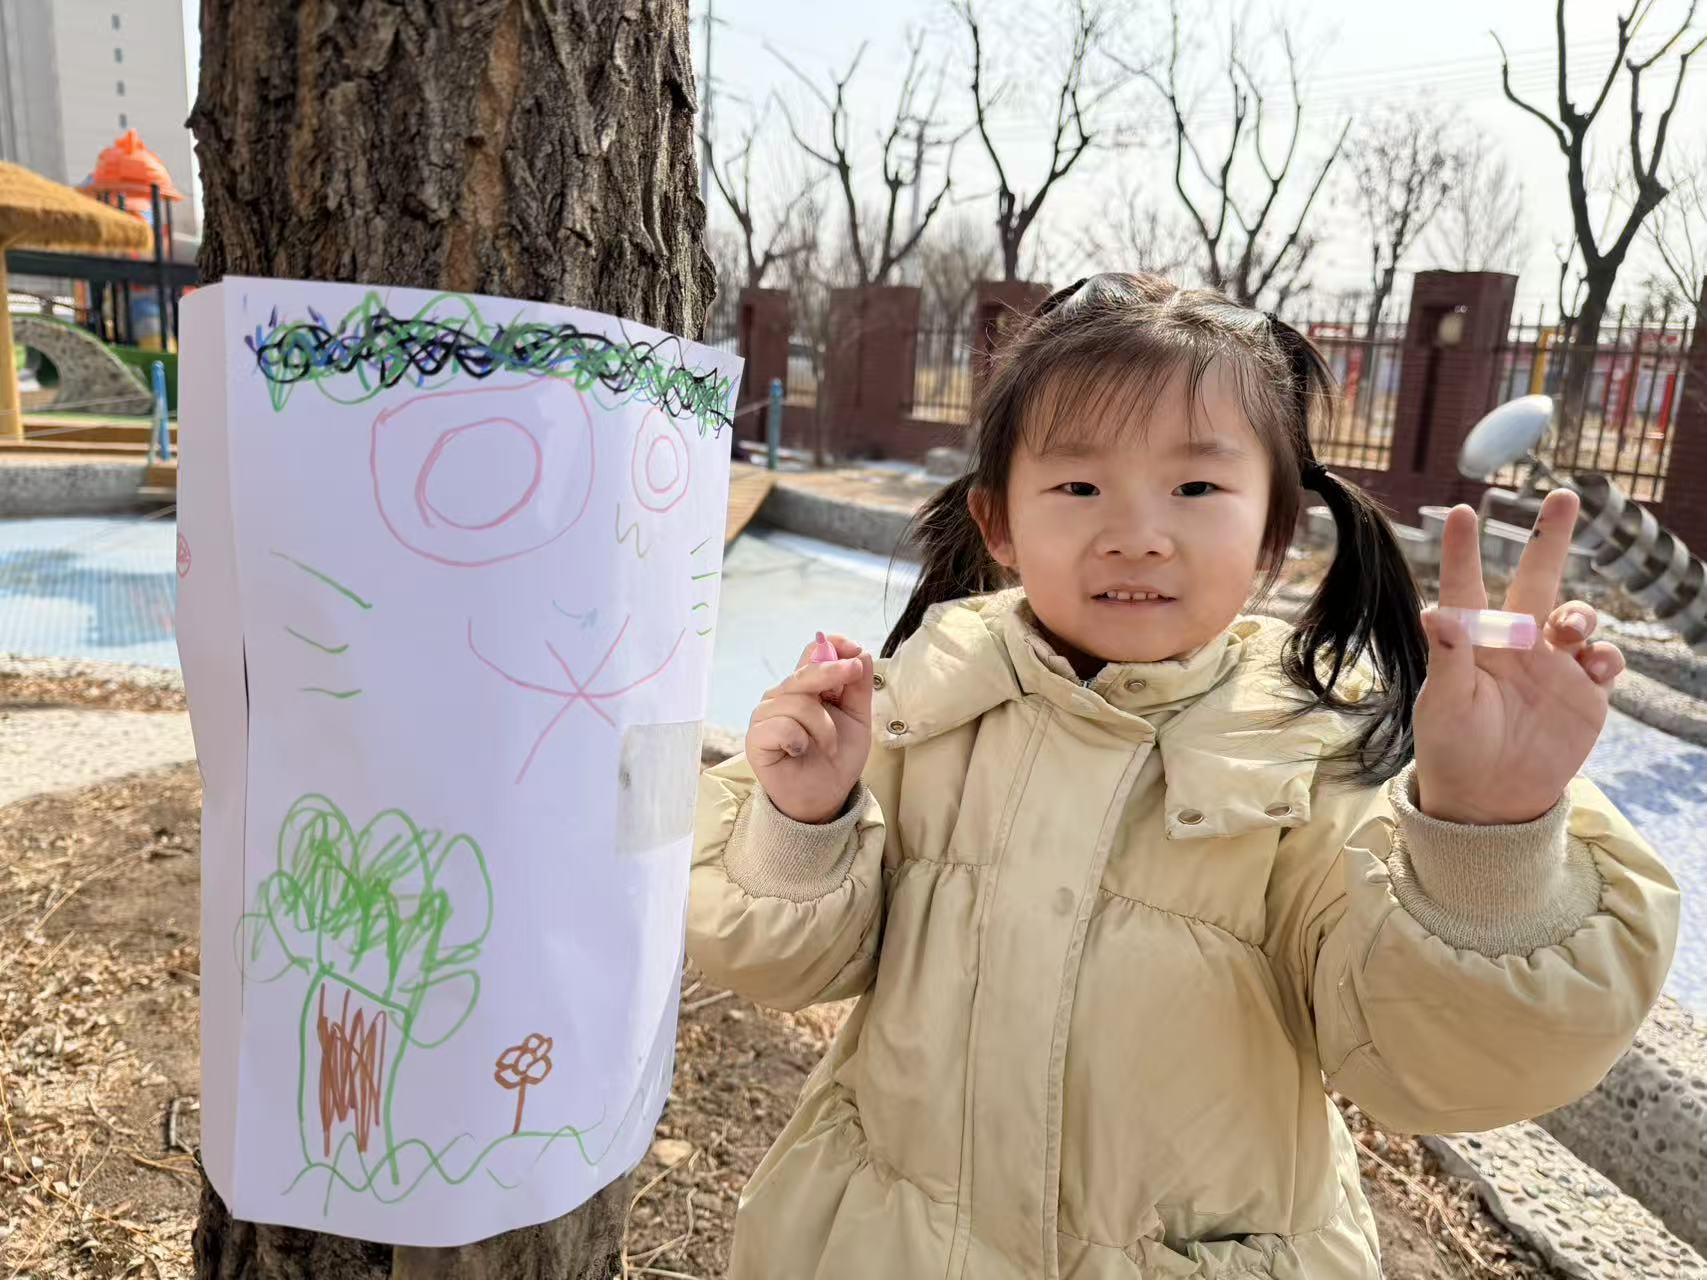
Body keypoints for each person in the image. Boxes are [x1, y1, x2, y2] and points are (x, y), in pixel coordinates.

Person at [686, 273, 1679, 1279]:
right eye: (1078, 488)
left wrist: (1484, 832)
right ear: (998, 522)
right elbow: (785, 968)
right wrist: (804, 819)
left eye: (1197, 489)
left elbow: (1431, 1068)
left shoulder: (1321, 754)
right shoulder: (920, 705)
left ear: (1274, 531)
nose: (1137, 534)